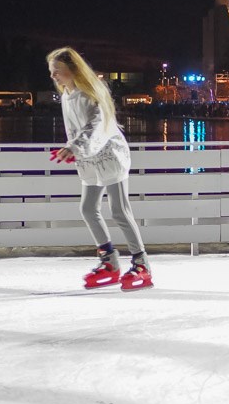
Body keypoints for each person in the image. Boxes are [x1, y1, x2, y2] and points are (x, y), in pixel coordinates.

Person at [50, 47, 153, 288]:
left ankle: (142, 264)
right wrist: (71, 148)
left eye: (58, 71)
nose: (54, 76)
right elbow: (75, 130)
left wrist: (75, 148)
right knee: (88, 208)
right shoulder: (67, 95)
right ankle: (109, 260)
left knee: (119, 210)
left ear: (73, 70)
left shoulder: (91, 93)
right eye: (52, 72)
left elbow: (97, 126)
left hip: (110, 157)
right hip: (89, 160)